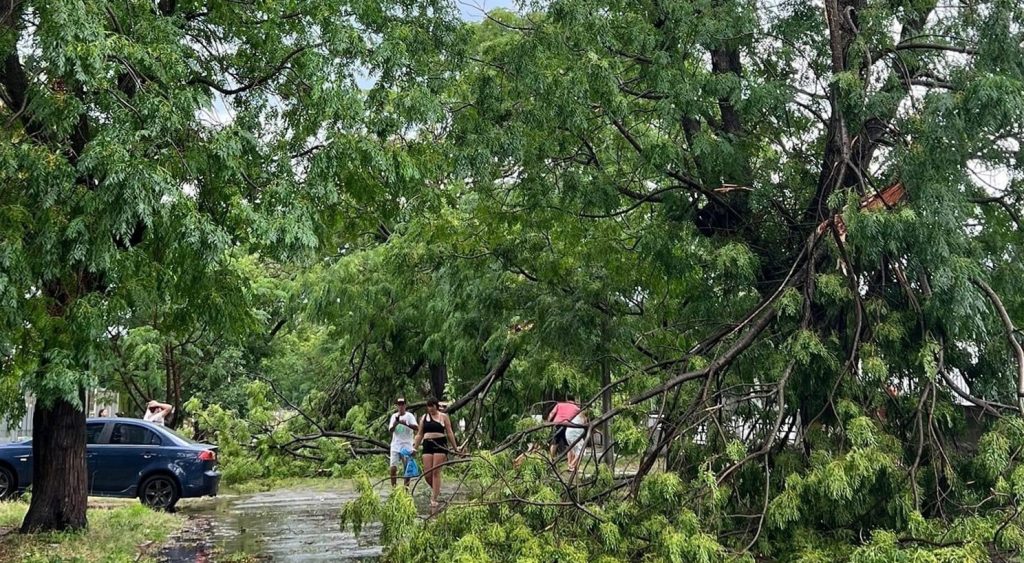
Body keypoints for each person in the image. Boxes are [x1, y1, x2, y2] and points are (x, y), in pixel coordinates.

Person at [413, 397, 459, 513]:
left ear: (436, 406)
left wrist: (455, 448)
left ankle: (434, 498)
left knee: (435, 472)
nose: (431, 410)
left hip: (440, 444)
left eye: (432, 407)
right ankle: (437, 490)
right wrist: (414, 447)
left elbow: (449, 432)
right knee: (427, 474)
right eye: (429, 408)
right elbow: (419, 434)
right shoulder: (424, 418)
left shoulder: (443, 417)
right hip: (427, 444)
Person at [388, 397, 418, 487]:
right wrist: (395, 423)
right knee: (393, 468)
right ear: (396, 406)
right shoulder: (394, 416)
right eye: (399, 405)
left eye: (402, 404)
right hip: (395, 445)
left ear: (405, 405)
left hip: (407, 445)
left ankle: (406, 488)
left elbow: (417, 428)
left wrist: (406, 423)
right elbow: (391, 430)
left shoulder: (409, 416)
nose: (401, 406)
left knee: (406, 468)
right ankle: (394, 488)